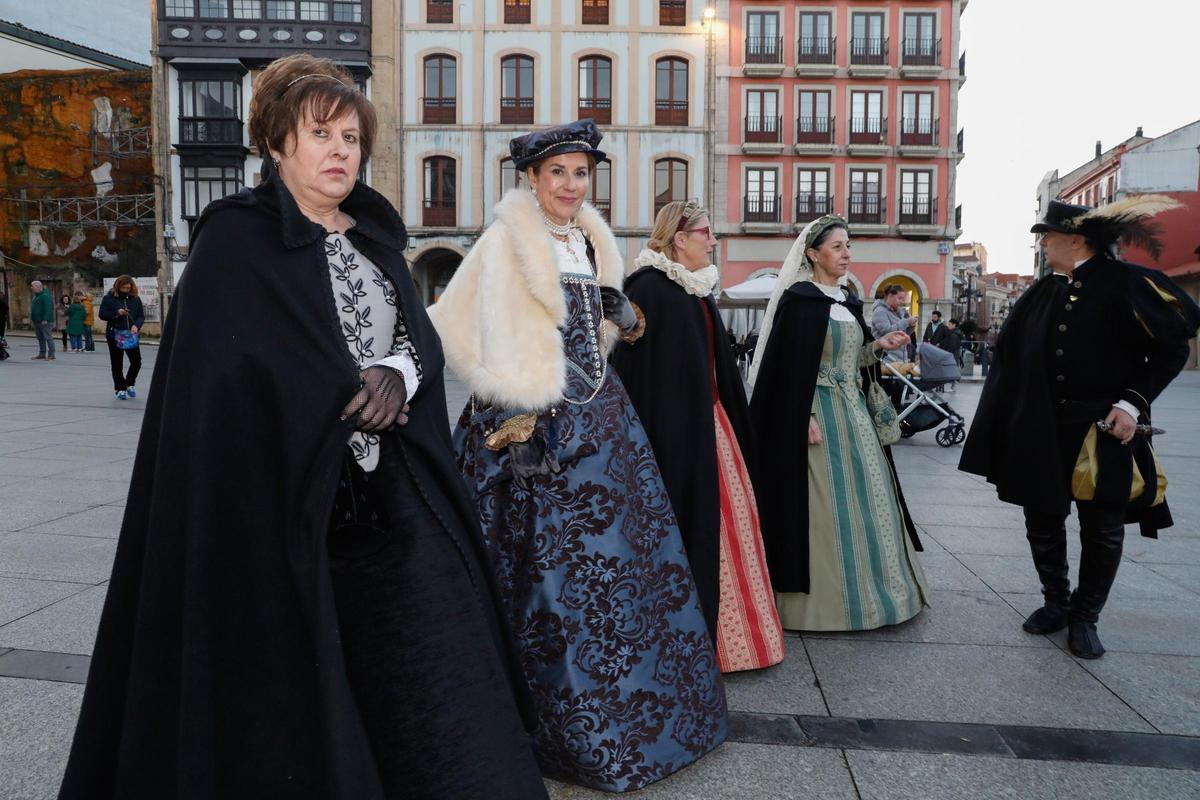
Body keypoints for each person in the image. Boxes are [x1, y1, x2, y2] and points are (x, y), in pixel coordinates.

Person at [58, 54, 547, 800]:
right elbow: (224, 379)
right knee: (304, 692)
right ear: (277, 142)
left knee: (446, 659)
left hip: (396, 500)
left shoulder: (377, 238)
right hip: (283, 508)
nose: (341, 151)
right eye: (321, 133)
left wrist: (401, 373)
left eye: (352, 137)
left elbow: (420, 340)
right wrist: (336, 386)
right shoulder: (233, 243)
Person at [430, 120, 727, 793]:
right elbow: (454, 320)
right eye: (557, 172)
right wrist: (512, 414)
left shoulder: (588, 240)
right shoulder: (507, 240)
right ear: (530, 179)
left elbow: (576, 327)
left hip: (601, 418)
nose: (570, 185)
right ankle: (566, 730)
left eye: (581, 173)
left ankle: (647, 714)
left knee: (629, 562)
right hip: (531, 426)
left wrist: (608, 309)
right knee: (547, 576)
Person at [960, 197, 1200, 659]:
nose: (1043, 241)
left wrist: (1132, 402)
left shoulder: (1127, 284)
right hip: (1042, 427)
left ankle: (1086, 617)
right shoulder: (1044, 290)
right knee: (1042, 519)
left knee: (1102, 524)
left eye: (1047, 234)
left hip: (1103, 427)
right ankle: (1056, 602)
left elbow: (1172, 349)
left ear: (1077, 238)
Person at [610, 199, 785, 673]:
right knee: (693, 525)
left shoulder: (694, 288)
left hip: (710, 424)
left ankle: (736, 638)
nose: (713, 240)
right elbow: (637, 369)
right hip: (674, 433)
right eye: (705, 232)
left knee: (731, 520)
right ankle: (691, 639)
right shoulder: (649, 286)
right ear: (679, 238)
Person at [748, 215, 929, 632]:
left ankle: (880, 594)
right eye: (837, 246)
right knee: (824, 505)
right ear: (813, 254)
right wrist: (803, 413)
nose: (847, 253)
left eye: (848, 245)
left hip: (855, 415)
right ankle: (821, 605)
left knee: (871, 498)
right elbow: (789, 368)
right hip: (817, 416)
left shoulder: (847, 300)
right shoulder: (799, 300)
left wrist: (878, 345)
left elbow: (853, 358)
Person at [98, 276, 145, 399]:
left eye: (128, 288)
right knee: (117, 363)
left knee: (136, 361)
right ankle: (119, 388)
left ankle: (129, 383)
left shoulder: (135, 299)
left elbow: (141, 315)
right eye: (123, 288)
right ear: (118, 287)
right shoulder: (108, 298)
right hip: (115, 334)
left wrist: (136, 325)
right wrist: (116, 313)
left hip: (130, 334)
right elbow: (102, 314)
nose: (125, 290)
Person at [870, 284, 916, 362]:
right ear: (890, 295)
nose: (902, 301)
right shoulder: (880, 311)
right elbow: (887, 331)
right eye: (899, 298)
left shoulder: (898, 312)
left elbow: (903, 334)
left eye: (903, 299)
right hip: (886, 358)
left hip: (900, 357)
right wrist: (906, 321)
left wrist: (911, 325)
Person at [29, 280, 54, 361]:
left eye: (32, 286)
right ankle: (42, 354)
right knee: (40, 338)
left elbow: (48, 308)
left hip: (44, 321)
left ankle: (51, 355)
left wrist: (46, 319)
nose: (31, 288)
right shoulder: (36, 296)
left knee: (48, 337)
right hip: (37, 321)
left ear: (38, 286)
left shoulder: (45, 296)